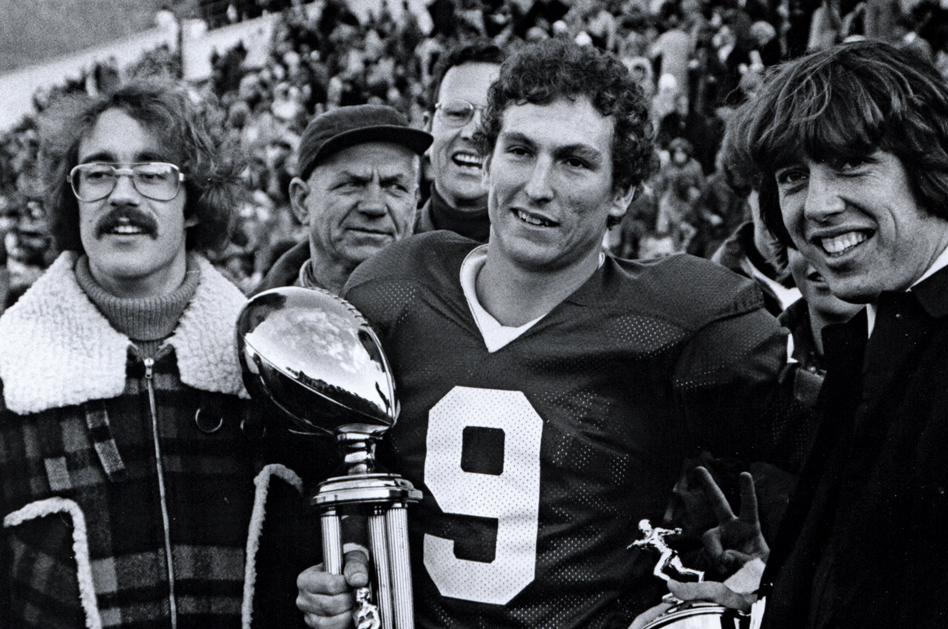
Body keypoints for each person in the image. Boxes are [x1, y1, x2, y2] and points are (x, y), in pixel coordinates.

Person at [298, 39, 788, 627]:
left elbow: (842, 440)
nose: (537, 185)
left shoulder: (679, 317)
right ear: (488, 159)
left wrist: (766, 579)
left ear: (623, 193)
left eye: (575, 161)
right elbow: (349, 476)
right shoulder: (395, 287)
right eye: (520, 150)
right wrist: (350, 567)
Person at [644, 41, 948, 628]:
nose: (818, 205)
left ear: (932, 163)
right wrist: (778, 599)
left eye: (851, 163)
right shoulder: (869, 334)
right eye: (793, 176)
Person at [0, 80, 307, 628]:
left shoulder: (269, 367)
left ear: (193, 202)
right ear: (73, 200)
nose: (121, 194)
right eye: (98, 172)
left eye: (152, 172)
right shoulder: (11, 372)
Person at [254, 104, 431, 293]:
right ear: (302, 201)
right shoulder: (254, 319)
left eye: (396, 187)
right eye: (351, 184)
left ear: (414, 202)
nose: (374, 206)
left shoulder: (455, 315)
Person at [413, 40, 504, 241]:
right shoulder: (386, 249)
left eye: (494, 120)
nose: (473, 132)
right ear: (427, 128)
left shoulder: (547, 260)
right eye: (456, 112)